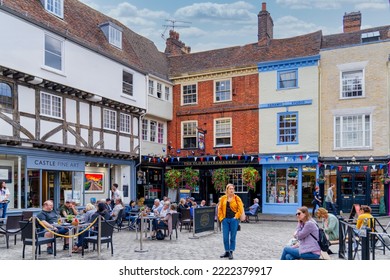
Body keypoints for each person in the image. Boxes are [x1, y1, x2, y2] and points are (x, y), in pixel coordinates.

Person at [218, 183, 244, 260]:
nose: (232, 190)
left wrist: (236, 217)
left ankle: (231, 252)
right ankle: (226, 251)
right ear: (227, 190)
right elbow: (219, 209)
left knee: (232, 237)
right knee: (225, 237)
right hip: (225, 220)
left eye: (233, 189)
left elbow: (240, 209)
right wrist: (222, 218)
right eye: (230, 189)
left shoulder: (237, 198)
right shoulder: (223, 198)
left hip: (234, 220)